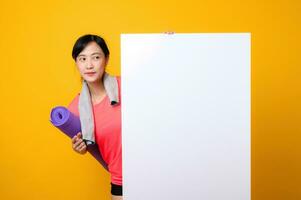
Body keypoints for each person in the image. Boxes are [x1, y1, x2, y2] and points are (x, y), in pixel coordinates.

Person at [67, 34, 123, 200]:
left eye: (96, 57)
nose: (89, 65)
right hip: (121, 180)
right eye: (82, 59)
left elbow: (161, 89)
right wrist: (79, 148)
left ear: (106, 59)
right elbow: (88, 145)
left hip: (157, 169)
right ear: (76, 63)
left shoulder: (128, 85)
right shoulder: (75, 109)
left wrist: (167, 46)